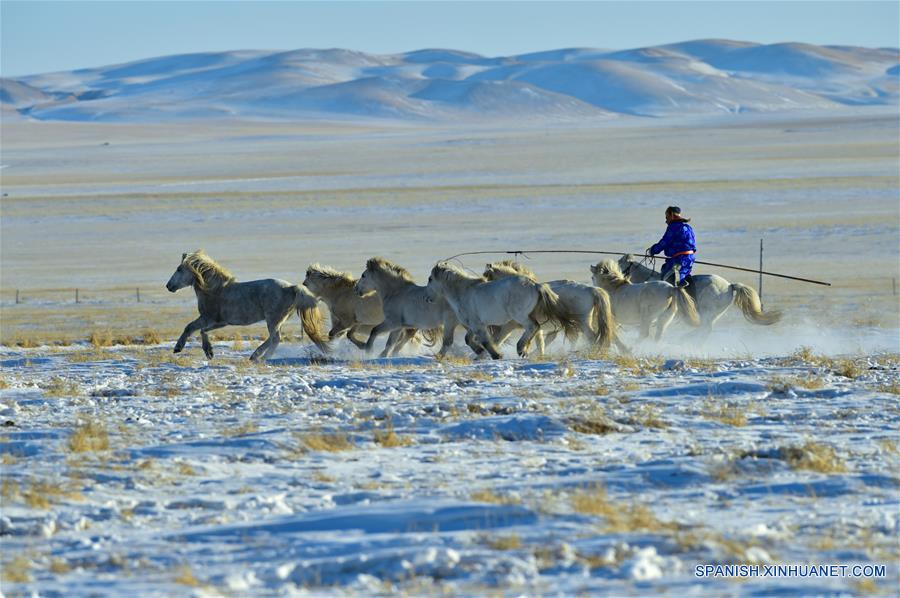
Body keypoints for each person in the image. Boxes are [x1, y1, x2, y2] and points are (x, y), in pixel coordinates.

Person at [647, 206, 696, 287]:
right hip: (689, 259)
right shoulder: (687, 227)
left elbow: (664, 242)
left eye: (667, 217)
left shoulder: (673, 226)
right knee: (683, 272)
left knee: (664, 277)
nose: (666, 221)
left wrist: (652, 250)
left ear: (672, 215)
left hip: (679, 259)